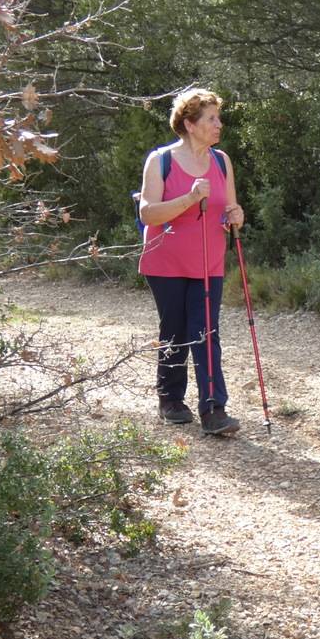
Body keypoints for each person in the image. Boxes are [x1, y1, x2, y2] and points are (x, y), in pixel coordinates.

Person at [138, 88, 246, 436]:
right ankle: (170, 400)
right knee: (174, 329)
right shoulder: (161, 161)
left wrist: (236, 216)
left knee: (206, 332)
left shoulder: (221, 160)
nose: (219, 124)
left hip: (208, 261)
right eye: (211, 118)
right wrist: (189, 198)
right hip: (165, 261)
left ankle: (214, 409)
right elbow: (148, 212)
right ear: (189, 124)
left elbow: (228, 209)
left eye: (217, 117)